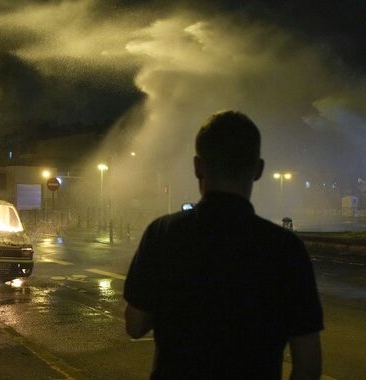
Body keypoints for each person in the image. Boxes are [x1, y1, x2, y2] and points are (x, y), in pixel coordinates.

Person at [124, 110, 323, 379]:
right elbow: (308, 363)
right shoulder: (286, 248)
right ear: (258, 169)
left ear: (197, 166)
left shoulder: (162, 233)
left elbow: (135, 325)